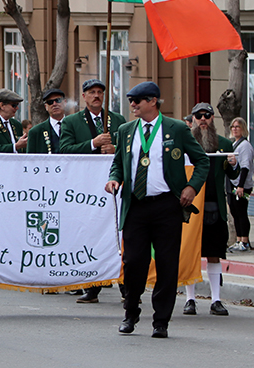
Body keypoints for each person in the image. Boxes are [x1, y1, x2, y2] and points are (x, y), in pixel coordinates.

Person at [105, 81, 209, 339]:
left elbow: (202, 161)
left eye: (137, 100)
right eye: (130, 100)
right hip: (136, 205)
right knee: (133, 262)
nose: (132, 105)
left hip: (166, 205)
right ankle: (130, 312)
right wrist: (114, 179)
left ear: (153, 101)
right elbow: (118, 163)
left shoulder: (176, 129)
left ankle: (161, 320)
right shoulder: (126, 130)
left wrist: (191, 187)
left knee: (166, 263)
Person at [58, 78, 126, 303]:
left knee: (117, 233)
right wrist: (92, 144)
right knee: (91, 233)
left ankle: (126, 287)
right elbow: (64, 150)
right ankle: (92, 286)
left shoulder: (118, 120)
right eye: (92, 92)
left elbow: (128, 148)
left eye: (100, 92)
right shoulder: (72, 122)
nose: (96, 96)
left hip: (113, 183)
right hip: (86, 186)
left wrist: (115, 148)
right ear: (84, 96)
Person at [182, 103, 239, 317]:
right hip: (191, 206)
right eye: (199, 116)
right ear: (193, 120)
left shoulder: (224, 144)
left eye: (207, 115)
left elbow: (233, 176)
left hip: (215, 206)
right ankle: (190, 299)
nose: (203, 119)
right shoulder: (184, 143)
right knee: (191, 253)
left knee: (214, 254)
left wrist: (233, 164)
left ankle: (216, 300)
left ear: (213, 118)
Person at [227, 117, 254, 253]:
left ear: (243, 128)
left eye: (237, 127)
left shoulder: (245, 146)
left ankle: (245, 240)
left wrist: (241, 186)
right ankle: (238, 239)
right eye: (233, 127)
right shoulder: (235, 144)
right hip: (233, 183)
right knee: (235, 212)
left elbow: (245, 167)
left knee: (241, 212)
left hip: (242, 185)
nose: (235, 129)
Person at [26, 88, 66, 154]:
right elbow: (30, 158)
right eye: (50, 102)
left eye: (58, 100)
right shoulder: (35, 132)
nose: (54, 104)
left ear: (65, 103)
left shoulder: (75, 127)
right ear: (46, 107)